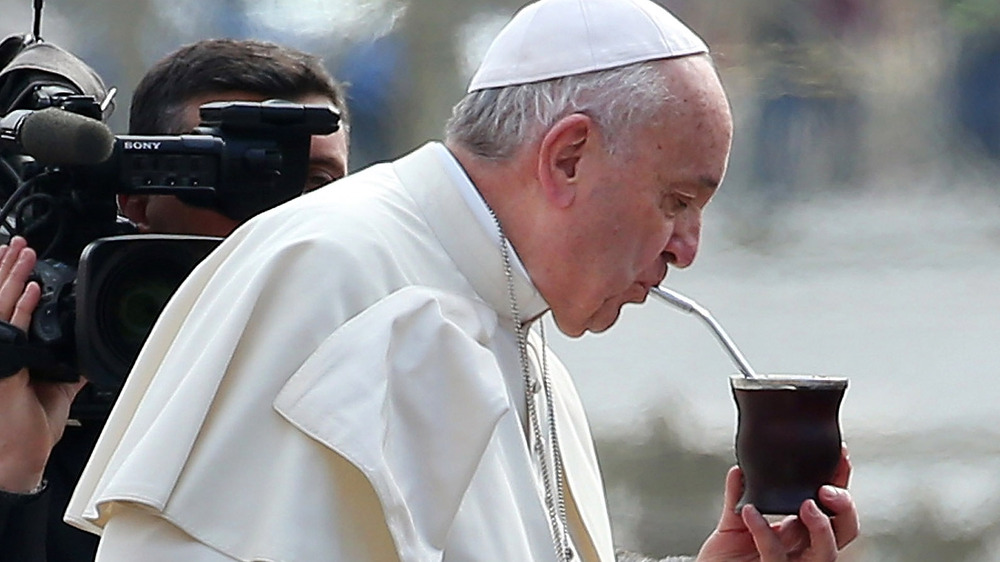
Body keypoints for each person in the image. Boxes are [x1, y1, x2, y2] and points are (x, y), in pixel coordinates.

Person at [67, 1, 860, 561]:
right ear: (567, 157)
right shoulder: (337, 277)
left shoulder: (510, 308)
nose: (687, 248)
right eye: (677, 200)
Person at [0, 38, 350, 561]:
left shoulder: (389, 374)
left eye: (318, 182)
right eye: (237, 177)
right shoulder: (43, 392)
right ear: (138, 197)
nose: (284, 216)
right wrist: (13, 470)